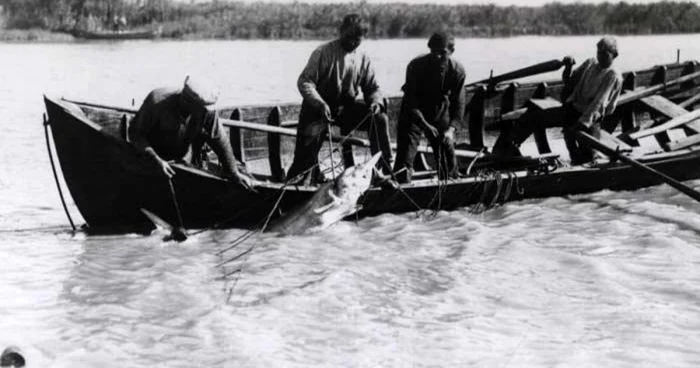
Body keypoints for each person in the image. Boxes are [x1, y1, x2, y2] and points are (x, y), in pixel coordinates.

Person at [286, 13, 393, 185]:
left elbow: (372, 88)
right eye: (349, 37)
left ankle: (382, 171)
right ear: (341, 31)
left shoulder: (363, 58)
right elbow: (305, 81)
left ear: (363, 38)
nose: (352, 42)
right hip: (316, 110)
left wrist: (375, 102)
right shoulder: (323, 52)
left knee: (379, 119)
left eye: (357, 39)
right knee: (303, 161)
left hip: (346, 109)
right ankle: (301, 180)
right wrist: (320, 103)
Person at [492, 36, 623, 165]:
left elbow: (598, 104)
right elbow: (569, 82)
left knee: (587, 158)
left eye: (605, 54)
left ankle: (581, 163)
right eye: (599, 52)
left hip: (590, 121)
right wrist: (568, 67)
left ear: (614, 55)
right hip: (571, 110)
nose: (600, 57)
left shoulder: (613, 75)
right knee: (532, 118)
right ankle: (508, 149)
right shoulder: (590, 63)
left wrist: (580, 125)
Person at [127, 76, 255, 189]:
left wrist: (233, 172)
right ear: (186, 101)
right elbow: (135, 134)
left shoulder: (207, 112)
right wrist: (155, 159)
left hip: (181, 161)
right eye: (201, 109)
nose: (205, 113)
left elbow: (219, 139)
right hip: (150, 159)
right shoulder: (157, 100)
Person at [393, 32, 466, 183]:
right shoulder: (415, 66)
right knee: (405, 156)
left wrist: (451, 131)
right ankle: (401, 183)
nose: (437, 56)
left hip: (439, 110)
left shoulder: (457, 71)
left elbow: (459, 104)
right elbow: (410, 102)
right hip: (414, 112)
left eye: (442, 53)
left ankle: (450, 184)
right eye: (433, 52)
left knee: (447, 151)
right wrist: (425, 126)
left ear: (451, 52)